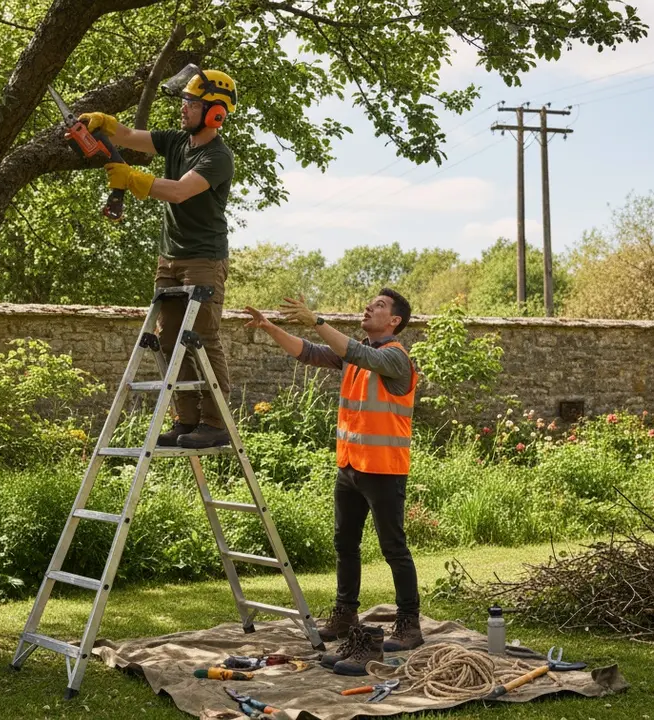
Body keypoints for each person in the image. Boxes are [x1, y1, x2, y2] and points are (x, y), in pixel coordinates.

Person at [244, 290, 423, 672]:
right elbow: (309, 352)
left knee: (393, 547)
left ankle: (409, 624)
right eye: (371, 302)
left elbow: (360, 355)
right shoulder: (356, 351)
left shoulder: (395, 358)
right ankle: (345, 615)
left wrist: (318, 321)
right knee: (345, 543)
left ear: (394, 321)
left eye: (379, 305)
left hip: (384, 468)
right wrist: (270, 327)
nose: (370, 307)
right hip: (351, 466)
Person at [79, 68, 238, 449]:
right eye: (184, 101)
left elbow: (180, 192)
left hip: (203, 259)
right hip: (169, 257)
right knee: (168, 339)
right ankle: (186, 419)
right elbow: (130, 137)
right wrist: (103, 122)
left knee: (201, 336)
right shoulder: (176, 141)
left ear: (215, 113)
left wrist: (132, 179)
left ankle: (215, 422)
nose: (184, 109)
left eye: (192, 103)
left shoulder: (218, 157)